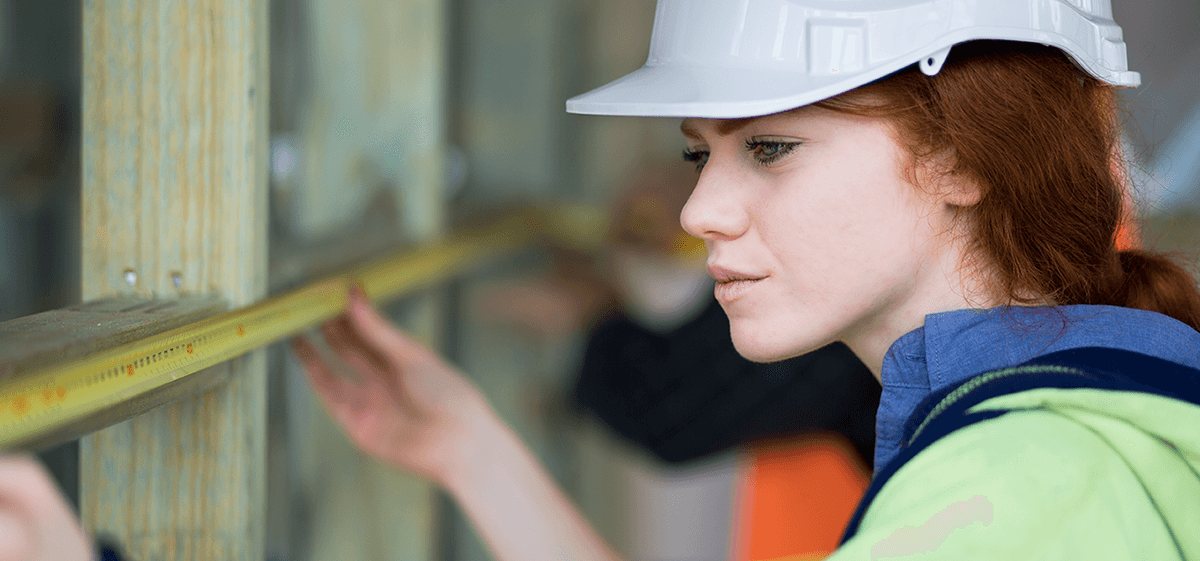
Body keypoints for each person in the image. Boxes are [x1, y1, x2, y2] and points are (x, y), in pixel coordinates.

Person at [295, 0, 1200, 559]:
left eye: (771, 147)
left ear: (966, 155)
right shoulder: (1084, 428)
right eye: (700, 155)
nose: (699, 213)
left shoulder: (993, 503)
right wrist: (471, 451)